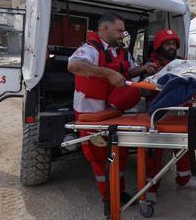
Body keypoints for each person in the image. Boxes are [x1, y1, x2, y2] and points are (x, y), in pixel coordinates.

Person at [67, 12, 157, 203]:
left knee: (119, 153)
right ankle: (109, 197)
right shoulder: (89, 49)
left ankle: (119, 190)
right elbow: (74, 66)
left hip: (115, 112)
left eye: (123, 31)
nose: (122, 34)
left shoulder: (122, 51)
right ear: (104, 29)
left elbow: (126, 73)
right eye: (119, 30)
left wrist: (142, 69)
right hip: (91, 112)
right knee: (100, 158)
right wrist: (108, 73)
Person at [144, 29, 196, 204]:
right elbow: (143, 90)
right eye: (167, 44)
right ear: (159, 46)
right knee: (155, 154)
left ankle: (184, 180)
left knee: (183, 149)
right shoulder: (151, 65)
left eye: (173, 44)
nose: (171, 47)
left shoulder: (182, 63)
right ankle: (151, 189)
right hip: (160, 115)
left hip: (181, 113)